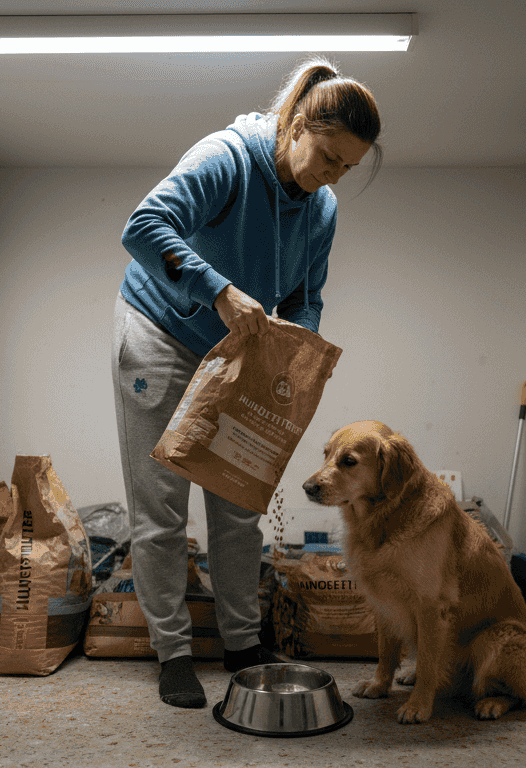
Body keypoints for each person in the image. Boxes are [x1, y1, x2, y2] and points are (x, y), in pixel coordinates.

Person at [112, 57, 382, 709]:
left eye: (346, 168)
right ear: (296, 126)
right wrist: (218, 291)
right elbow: (142, 228)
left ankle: (241, 644)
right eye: (327, 156)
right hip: (159, 328)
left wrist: (296, 348)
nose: (332, 176)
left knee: (238, 502)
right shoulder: (227, 158)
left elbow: (306, 296)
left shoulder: (321, 209)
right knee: (161, 507)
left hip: (241, 348)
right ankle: (173, 653)